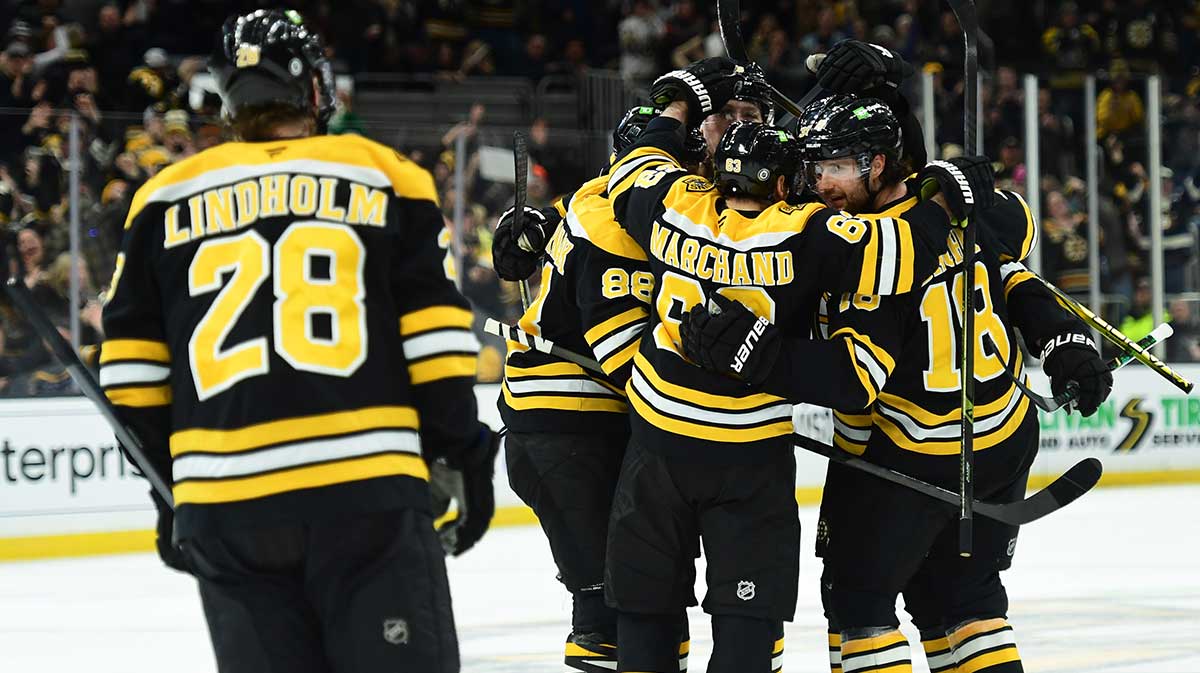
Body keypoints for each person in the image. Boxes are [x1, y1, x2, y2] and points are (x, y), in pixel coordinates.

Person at [99, 10, 498, 673]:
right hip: (365, 494)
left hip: (226, 508)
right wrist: (465, 451)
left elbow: (132, 379)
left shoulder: (161, 198)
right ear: (315, 89)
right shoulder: (384, 173)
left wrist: (170, 492)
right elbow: (435, 342)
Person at [682, 91, 1112, 673]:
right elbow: (1008, 259)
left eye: (833, 167)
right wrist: (1063, 338)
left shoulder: (873, 248)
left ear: (877, 166)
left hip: (906, 454)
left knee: (859, 606)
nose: (819, 182)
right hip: (1001, 441)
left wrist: (760, 357)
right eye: (815, 167)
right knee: (965, 605)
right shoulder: (963, 210)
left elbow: (855, 377)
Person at [602, 56, 993, 673]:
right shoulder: (810, 230)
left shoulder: (676, 203)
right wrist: (946, 193)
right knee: (746, 632)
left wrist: (679, 99)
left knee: (646, 619)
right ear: (786, 182)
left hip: (657, 446)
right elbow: (903, 250)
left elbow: (634, 168)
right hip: (746, 452)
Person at [493, 105, 693, 673]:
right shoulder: (622, 214)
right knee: (619, 612)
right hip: (572, 425)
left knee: (635, 604)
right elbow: (626, 354)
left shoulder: (589, 199)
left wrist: (521, 240)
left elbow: (531, 245)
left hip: (558, 424)